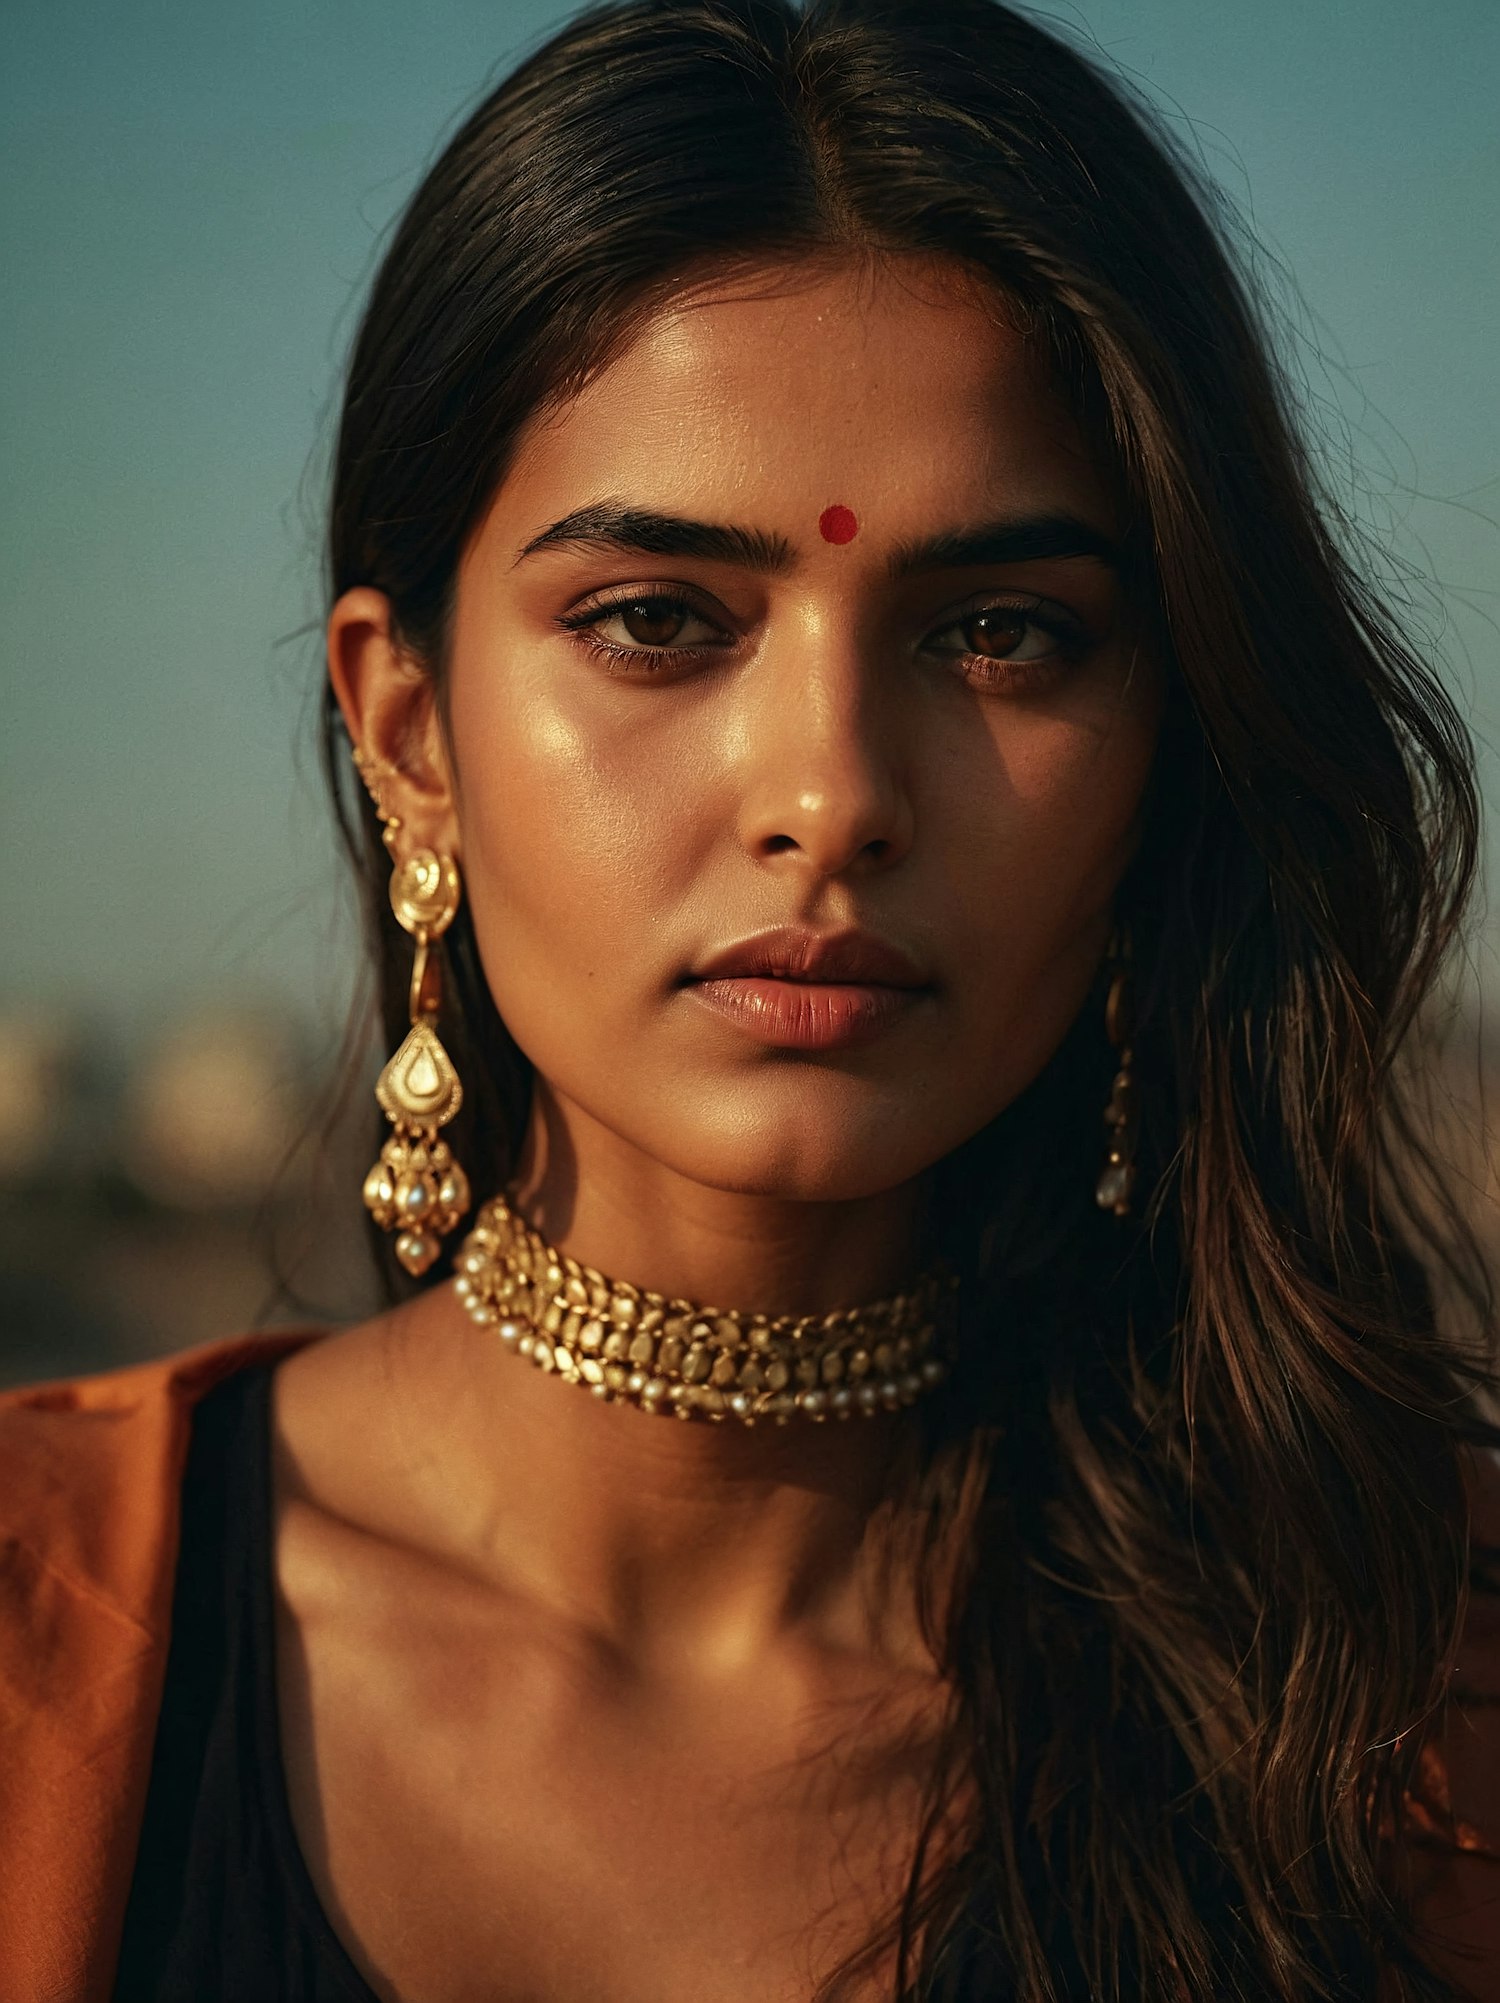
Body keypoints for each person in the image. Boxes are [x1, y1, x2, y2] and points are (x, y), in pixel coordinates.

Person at [2, 0, 1497, 1996]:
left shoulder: (1399, 1705)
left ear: (1172, 748)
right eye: (655, 623)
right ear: (411, 729)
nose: (833, 796)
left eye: (1000, 633)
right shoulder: (46, 1625)